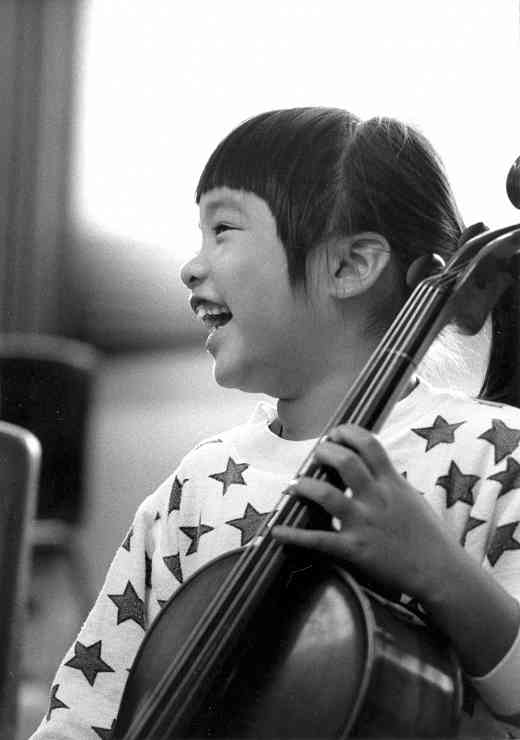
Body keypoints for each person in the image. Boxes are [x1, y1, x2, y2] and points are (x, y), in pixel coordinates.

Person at [31, 107, 520, 738]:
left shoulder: (489, 457)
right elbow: (87, 711)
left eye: (224, 229)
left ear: (349, 266)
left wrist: (439, 571)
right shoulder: (201, 482)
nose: (191, 265)